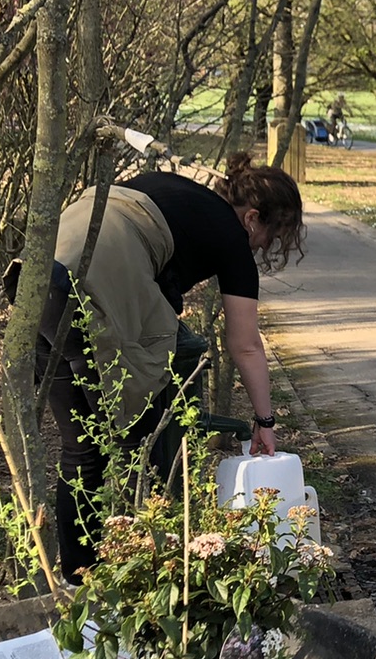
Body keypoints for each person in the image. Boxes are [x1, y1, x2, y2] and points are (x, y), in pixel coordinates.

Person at [39, 152, 306, 576]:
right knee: (140, 443)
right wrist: (265, 421)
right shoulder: (230, 236)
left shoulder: (175, 191)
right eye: (269, 236)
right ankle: (144, 574)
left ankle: (78, 579)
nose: (261, 247)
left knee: (82, 449)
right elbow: (246, 346)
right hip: (88, 293)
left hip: (37, 278)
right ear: (252, 217)